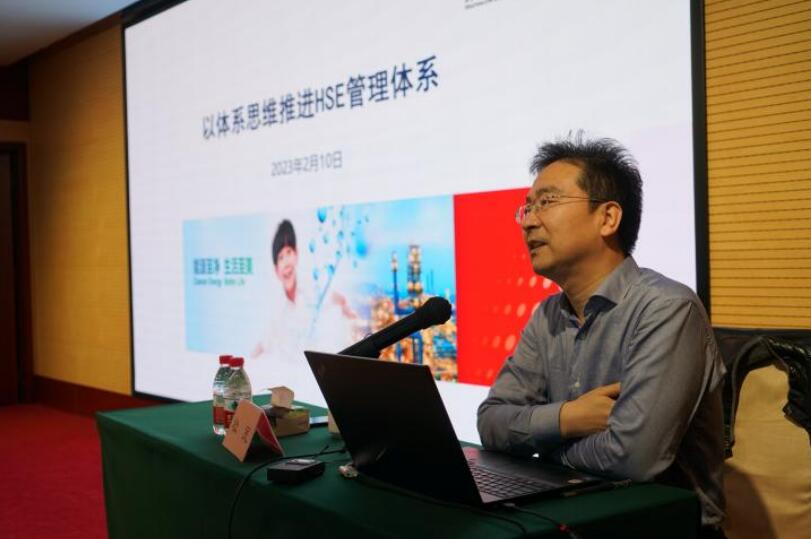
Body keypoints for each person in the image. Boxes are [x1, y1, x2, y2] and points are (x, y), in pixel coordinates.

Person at [477, 135, 726, 538]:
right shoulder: (547, 315)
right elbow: (490, 422)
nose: (528, 221)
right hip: (573, 520)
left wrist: (544, 446)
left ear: (608, 218)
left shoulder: (666, 308)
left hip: (663, 529)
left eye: (547, 202)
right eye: (528, 207)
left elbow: (634, 458)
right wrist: (567, 418)